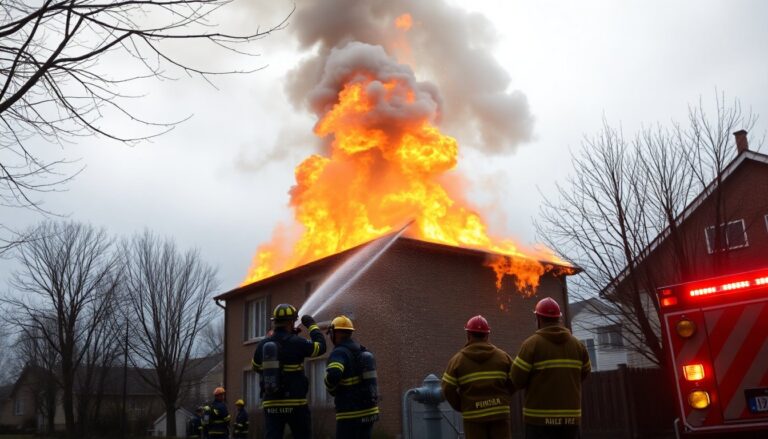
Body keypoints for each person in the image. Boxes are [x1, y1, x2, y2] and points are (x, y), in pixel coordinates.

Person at [509, 297, 591, 439]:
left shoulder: (531, 345)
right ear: (559, 319)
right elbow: (585, 373)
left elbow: (516, 380)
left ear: (539, 319)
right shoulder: (578, 345)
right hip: (571, 420)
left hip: (539, 422)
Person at [252, 303, 327, 439]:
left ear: (275, 322)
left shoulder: (263, 344)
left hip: (271, 403)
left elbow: (256, 367)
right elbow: (321, 347)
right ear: (291, 322)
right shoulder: (297, 342)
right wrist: (312, 326)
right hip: (295, 402)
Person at [441, 315, 516, 439]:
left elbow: (447, 388)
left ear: (468, 335)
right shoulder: (503, 357)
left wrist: (462, 406)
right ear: (487, 335)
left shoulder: (457, 361)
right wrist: (504, 397)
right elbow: (516, 379)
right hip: (499, 414)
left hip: (473, 416)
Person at [324, 315, 379, 439]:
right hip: (369, 412)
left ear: (336, 333)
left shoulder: (339, 352)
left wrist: (328, 385)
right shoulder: (361, 349)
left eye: (331, 333)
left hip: (350, 413)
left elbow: (334, 374)